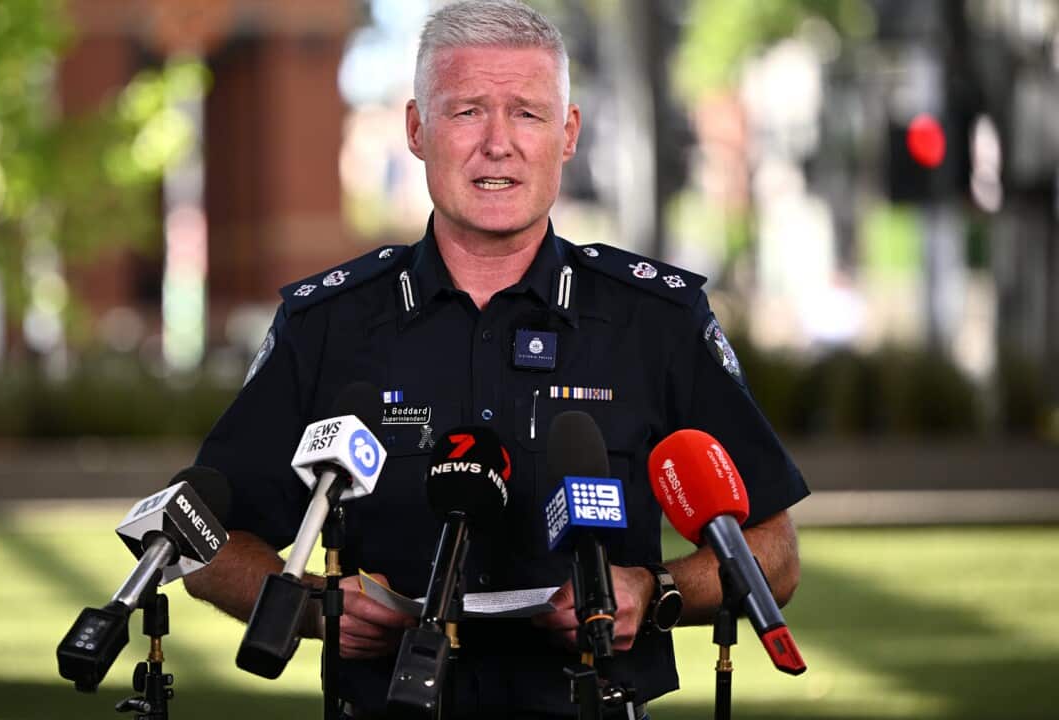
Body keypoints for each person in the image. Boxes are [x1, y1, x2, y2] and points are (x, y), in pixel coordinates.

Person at [184, 1, 808, 718]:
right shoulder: (327, 324)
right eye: (467, 112)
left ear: (567, 134)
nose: (498, 145)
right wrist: (309, 607)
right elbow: (204, 541)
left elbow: (775, 552)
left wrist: (656, 589)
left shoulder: (655, 322)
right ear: (417, 129)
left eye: (528, 114)